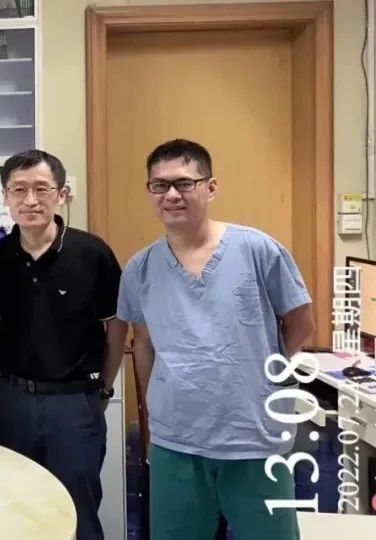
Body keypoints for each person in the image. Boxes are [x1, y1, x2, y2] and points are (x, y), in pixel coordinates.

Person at [117, 139, 314, 540]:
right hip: (177, 441)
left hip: (254, 437)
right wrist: (155, 423)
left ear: (210, 187)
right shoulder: (140, 268)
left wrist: (260, 376)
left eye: (184, 183)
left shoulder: (257, 249)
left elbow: (301, 324)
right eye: (159, 185)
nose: (172, 195)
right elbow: (145, 346)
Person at [0, 149, 125, 540]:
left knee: (78, 509)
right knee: (18, 508)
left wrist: (104, 386)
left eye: (42, 189)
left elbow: (116, 326)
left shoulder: (92, 252)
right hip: (13, 400)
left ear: (61, 195)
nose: (31, 200)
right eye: (19, 190)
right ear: (5, 197)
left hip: (74, 403)